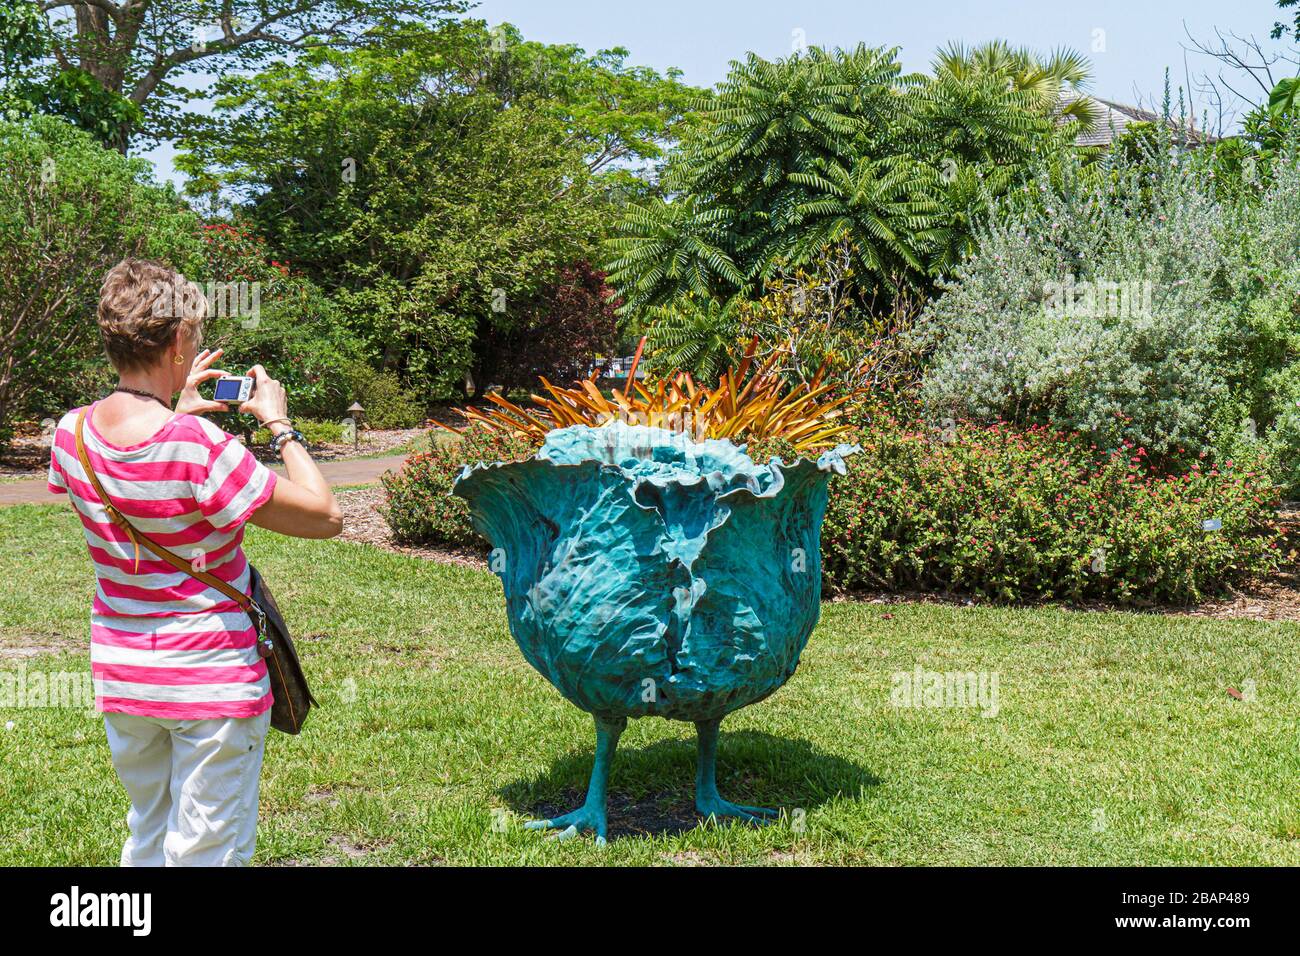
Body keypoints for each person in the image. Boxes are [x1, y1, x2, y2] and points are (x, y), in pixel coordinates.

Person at [46, 258, 342, 866]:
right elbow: (323, 515)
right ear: (179, 340)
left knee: (149, 833)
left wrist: (172, 408)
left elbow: (137, 468)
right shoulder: (202, 447)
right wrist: (280, 425)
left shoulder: (70, 435)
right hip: (210, 678)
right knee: (208, 850)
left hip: (126, 676)